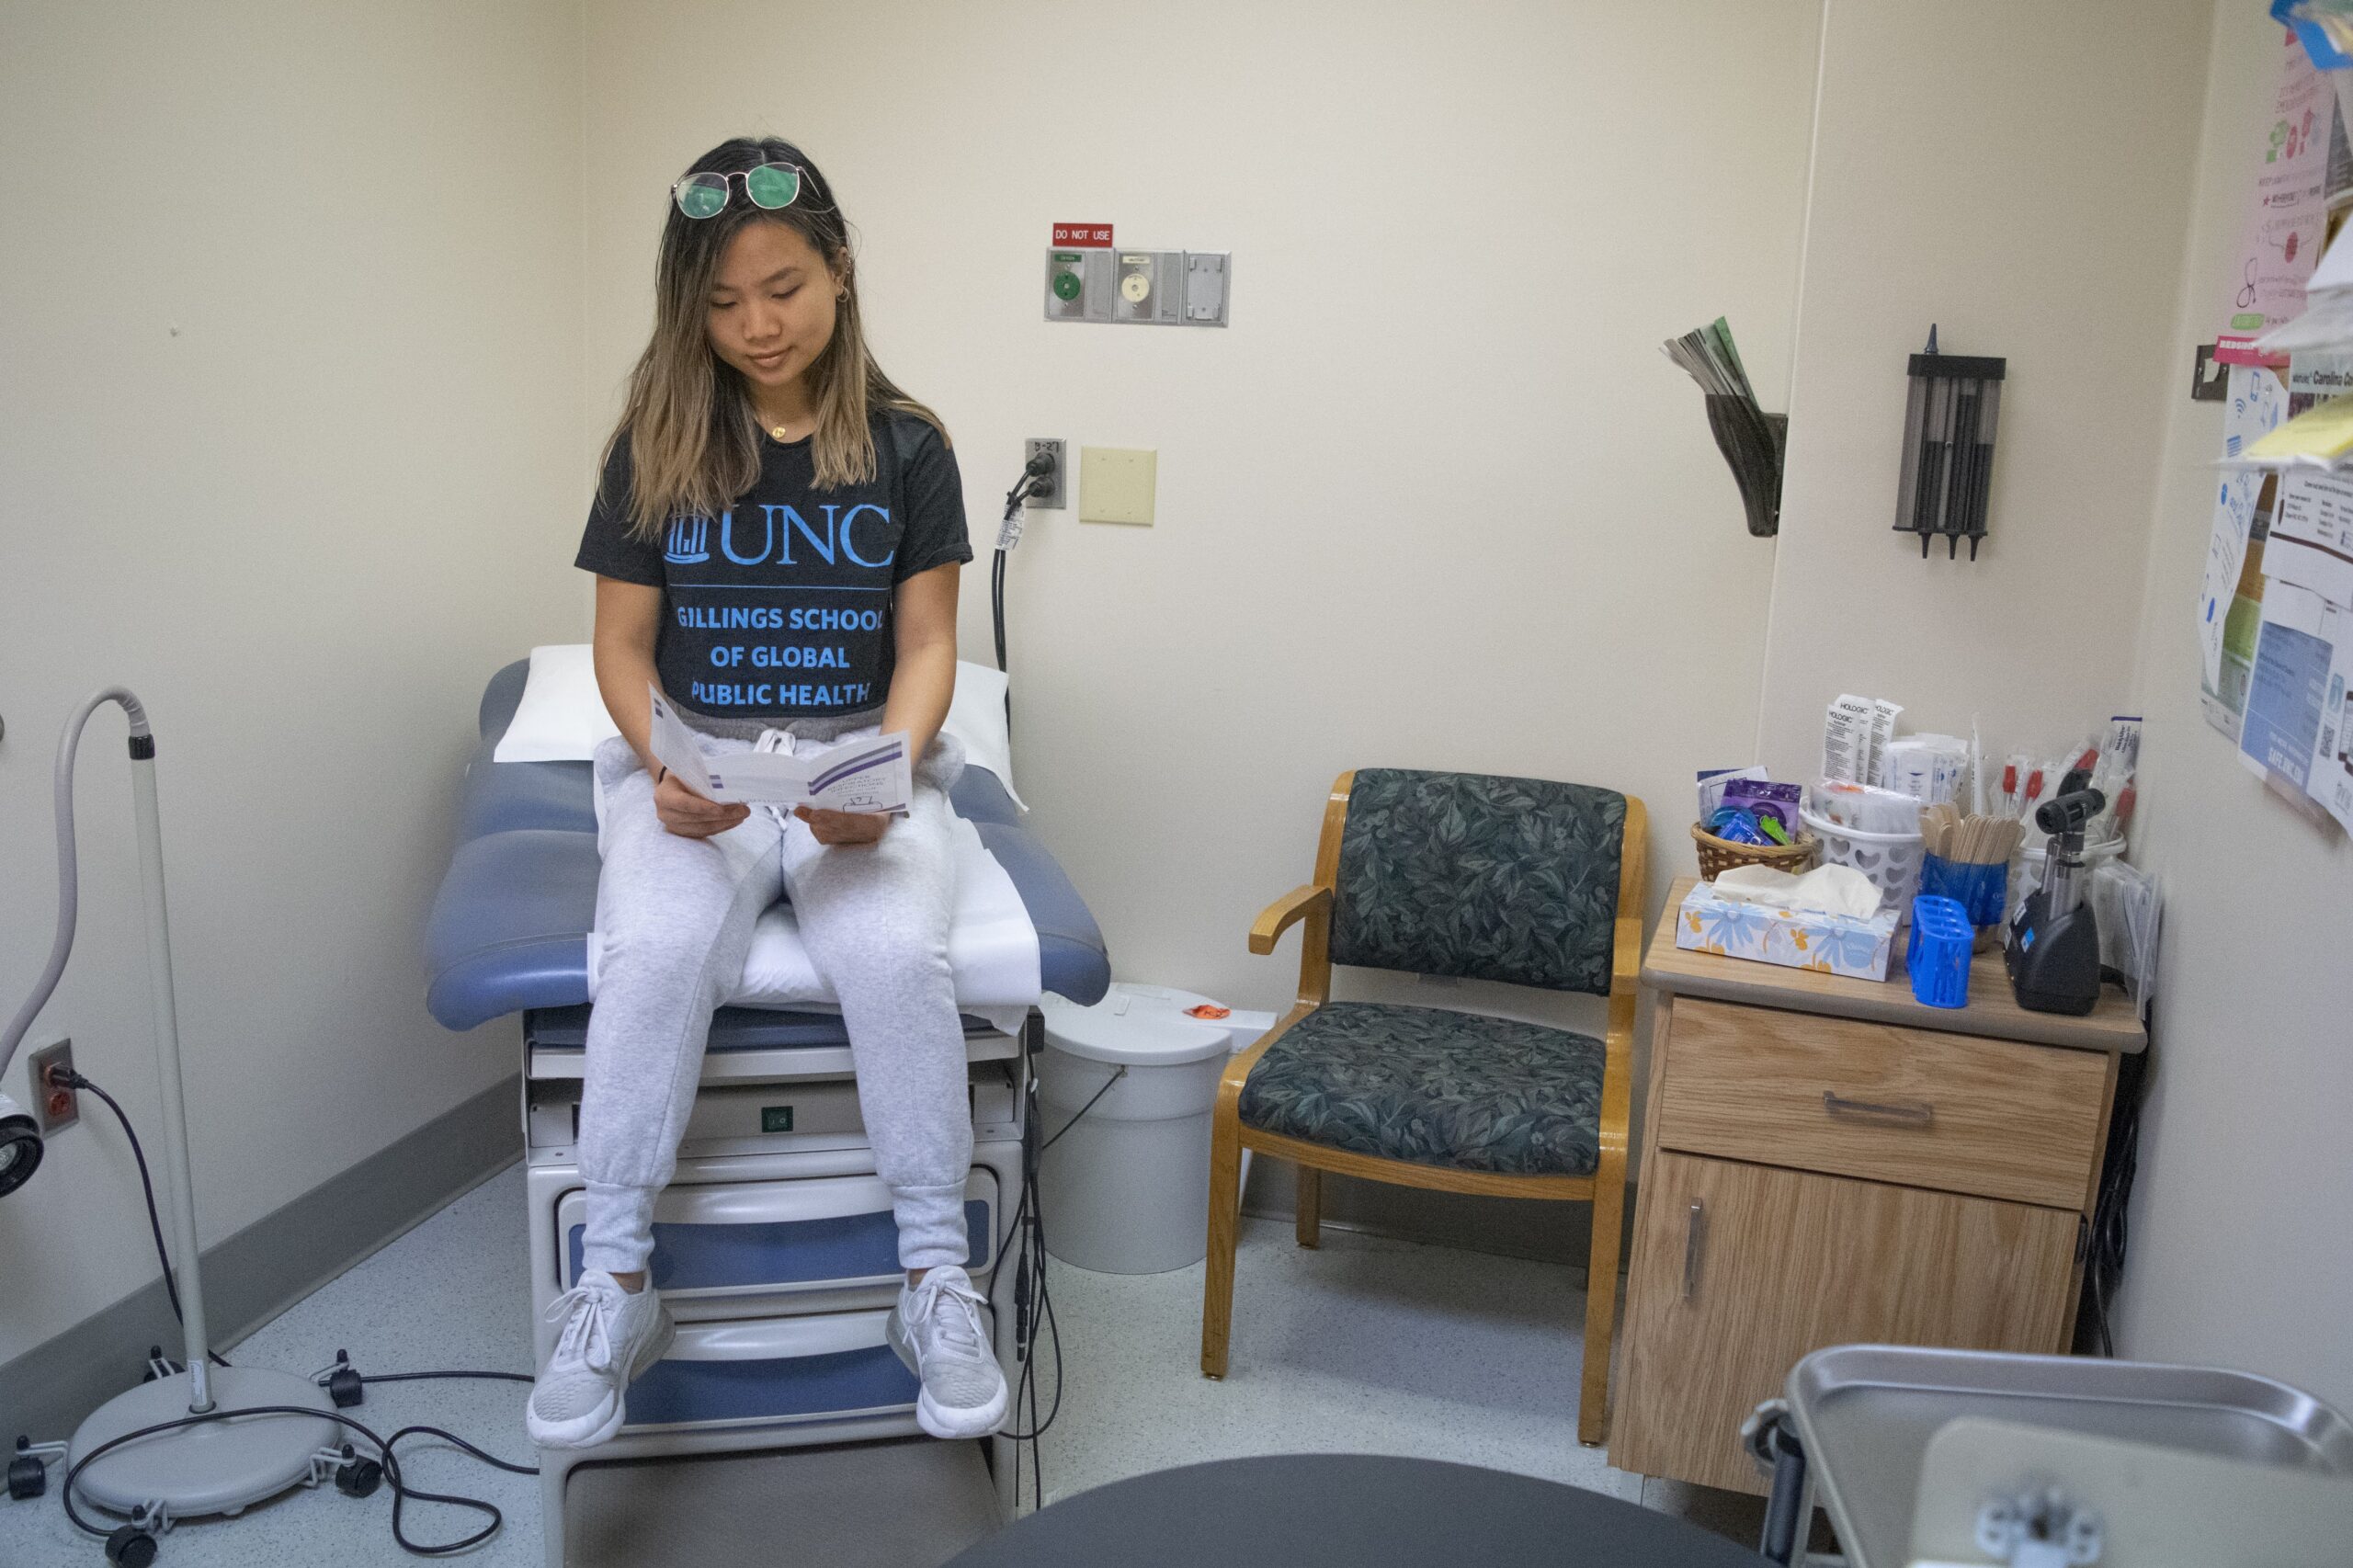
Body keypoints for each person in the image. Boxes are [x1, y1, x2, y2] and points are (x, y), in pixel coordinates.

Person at [526, 135, 1003, 1450]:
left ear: (841, 273)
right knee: (660, 945)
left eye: (782, 288)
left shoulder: (908, 448)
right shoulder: (658, 439)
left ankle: (932, 1280)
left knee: (900, 955)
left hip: (857, 772)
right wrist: (669, 760)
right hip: (703, 776)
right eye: (723, 303)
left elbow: (927, 647)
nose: (755, 325)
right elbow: (623, 651)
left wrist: (891, 772)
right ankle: (613, 1279)